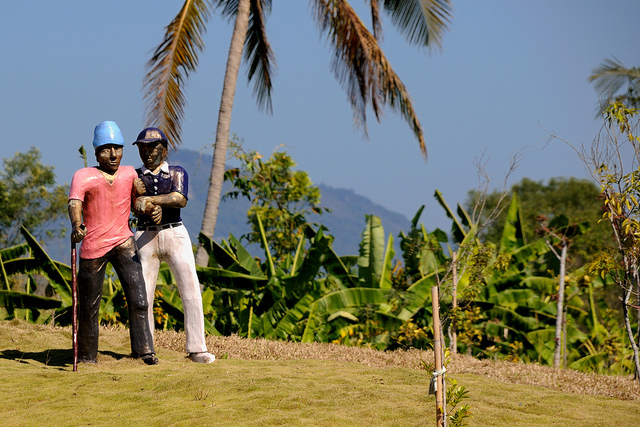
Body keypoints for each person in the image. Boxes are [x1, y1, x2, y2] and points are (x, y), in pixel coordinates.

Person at [68, 120, 158, 365]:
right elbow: (75, 203)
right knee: (88, 306)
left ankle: (144, 350)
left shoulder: (130, 173)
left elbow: (140, 198)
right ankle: (87, 355)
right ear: (97, 151)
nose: (113, 154)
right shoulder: (84, 176)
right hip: (93, 246)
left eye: (117, 148)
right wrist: (77, 226)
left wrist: (148, 206)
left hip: (124, 242)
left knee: (139, 299)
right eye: (106, 149)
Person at [132, 127, 215, 364]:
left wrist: (150, 200)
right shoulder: (134, 176)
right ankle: (144, 349)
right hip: (145, 235)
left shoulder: (176, 172)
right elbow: (131, 204)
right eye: (143, 149)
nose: (147, 153)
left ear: (164, 149)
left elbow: (180, 198)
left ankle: (197, 347)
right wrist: (146, 206)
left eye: (153, 148)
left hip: (174, 232)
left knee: (190, 289)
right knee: (143, 295)